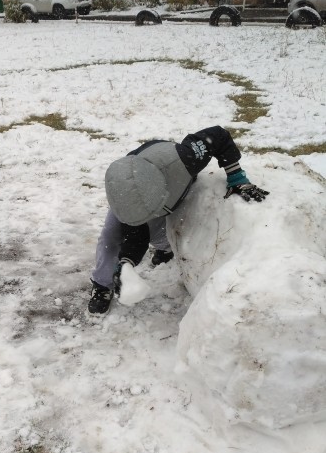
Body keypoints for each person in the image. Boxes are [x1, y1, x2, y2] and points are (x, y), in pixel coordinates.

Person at [88, 126, 269, 314]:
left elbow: (218, 135)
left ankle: (165, 250)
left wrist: (237, 178)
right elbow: (136, 233)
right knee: (111, 236)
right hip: (134, 189)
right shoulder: (126, 197)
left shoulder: (186, 158)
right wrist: (125, 263)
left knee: (167, 233)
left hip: (167, 177)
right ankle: (102, 285)